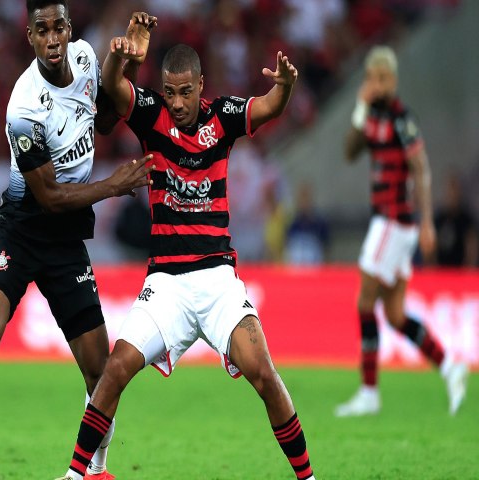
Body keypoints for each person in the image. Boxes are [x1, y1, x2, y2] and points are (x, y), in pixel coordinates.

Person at [55, 30, 316, 480]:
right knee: (114, 369)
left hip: (217, 281)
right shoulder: (152, 115)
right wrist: (117, 60)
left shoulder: (225, 118)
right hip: (167, 285)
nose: (176, 103)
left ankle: (308, 478)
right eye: (170, 92)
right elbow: (115, 91)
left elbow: (269, 105)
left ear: (201, 85)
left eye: (185, 92)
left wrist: (287, 86)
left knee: (264, 374)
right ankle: (77, 475)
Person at [0, 3, 156, 479]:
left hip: (66, 240)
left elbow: (107, 121)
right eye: (41, 30)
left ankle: (96, 469)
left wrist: (126, 64)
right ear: (29, 37)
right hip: (24, 226)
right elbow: (49, 197)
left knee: (101, 371)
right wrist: (113, 186)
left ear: (69, 30)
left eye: (59, 27)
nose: (52, 38)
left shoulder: (89, 58)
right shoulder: (23, 107)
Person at [335, 45, 469, 417]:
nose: (375, 85)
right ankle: (450, 365)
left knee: (364, 302)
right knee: (393, 314)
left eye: (381, 78)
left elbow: (421, 168)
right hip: (389, 223)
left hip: (394, 220)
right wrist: (360, 108)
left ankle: (369, 392)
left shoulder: (401, 118)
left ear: (392, 79)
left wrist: (427, 220)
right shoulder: (374, 115)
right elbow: (349, 151)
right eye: (370, 78)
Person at [434, 172, 478, 267]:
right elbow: (431, 248)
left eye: (454, 189)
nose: (451, 194)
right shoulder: (439, 218)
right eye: (449, 190)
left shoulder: (466, 219)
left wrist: (468, 271)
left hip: (460, 273)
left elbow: (472, 249)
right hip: (440, 272)